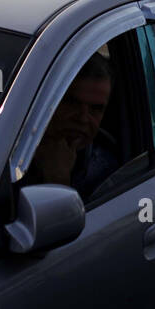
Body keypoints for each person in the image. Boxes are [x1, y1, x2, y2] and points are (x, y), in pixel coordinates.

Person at [24, 53, 121, 201]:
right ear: (49, 102)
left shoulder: (105, 173)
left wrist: (58, 180)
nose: (82, 118)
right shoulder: (3, 152)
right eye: (72, 104)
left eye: (96, 109)